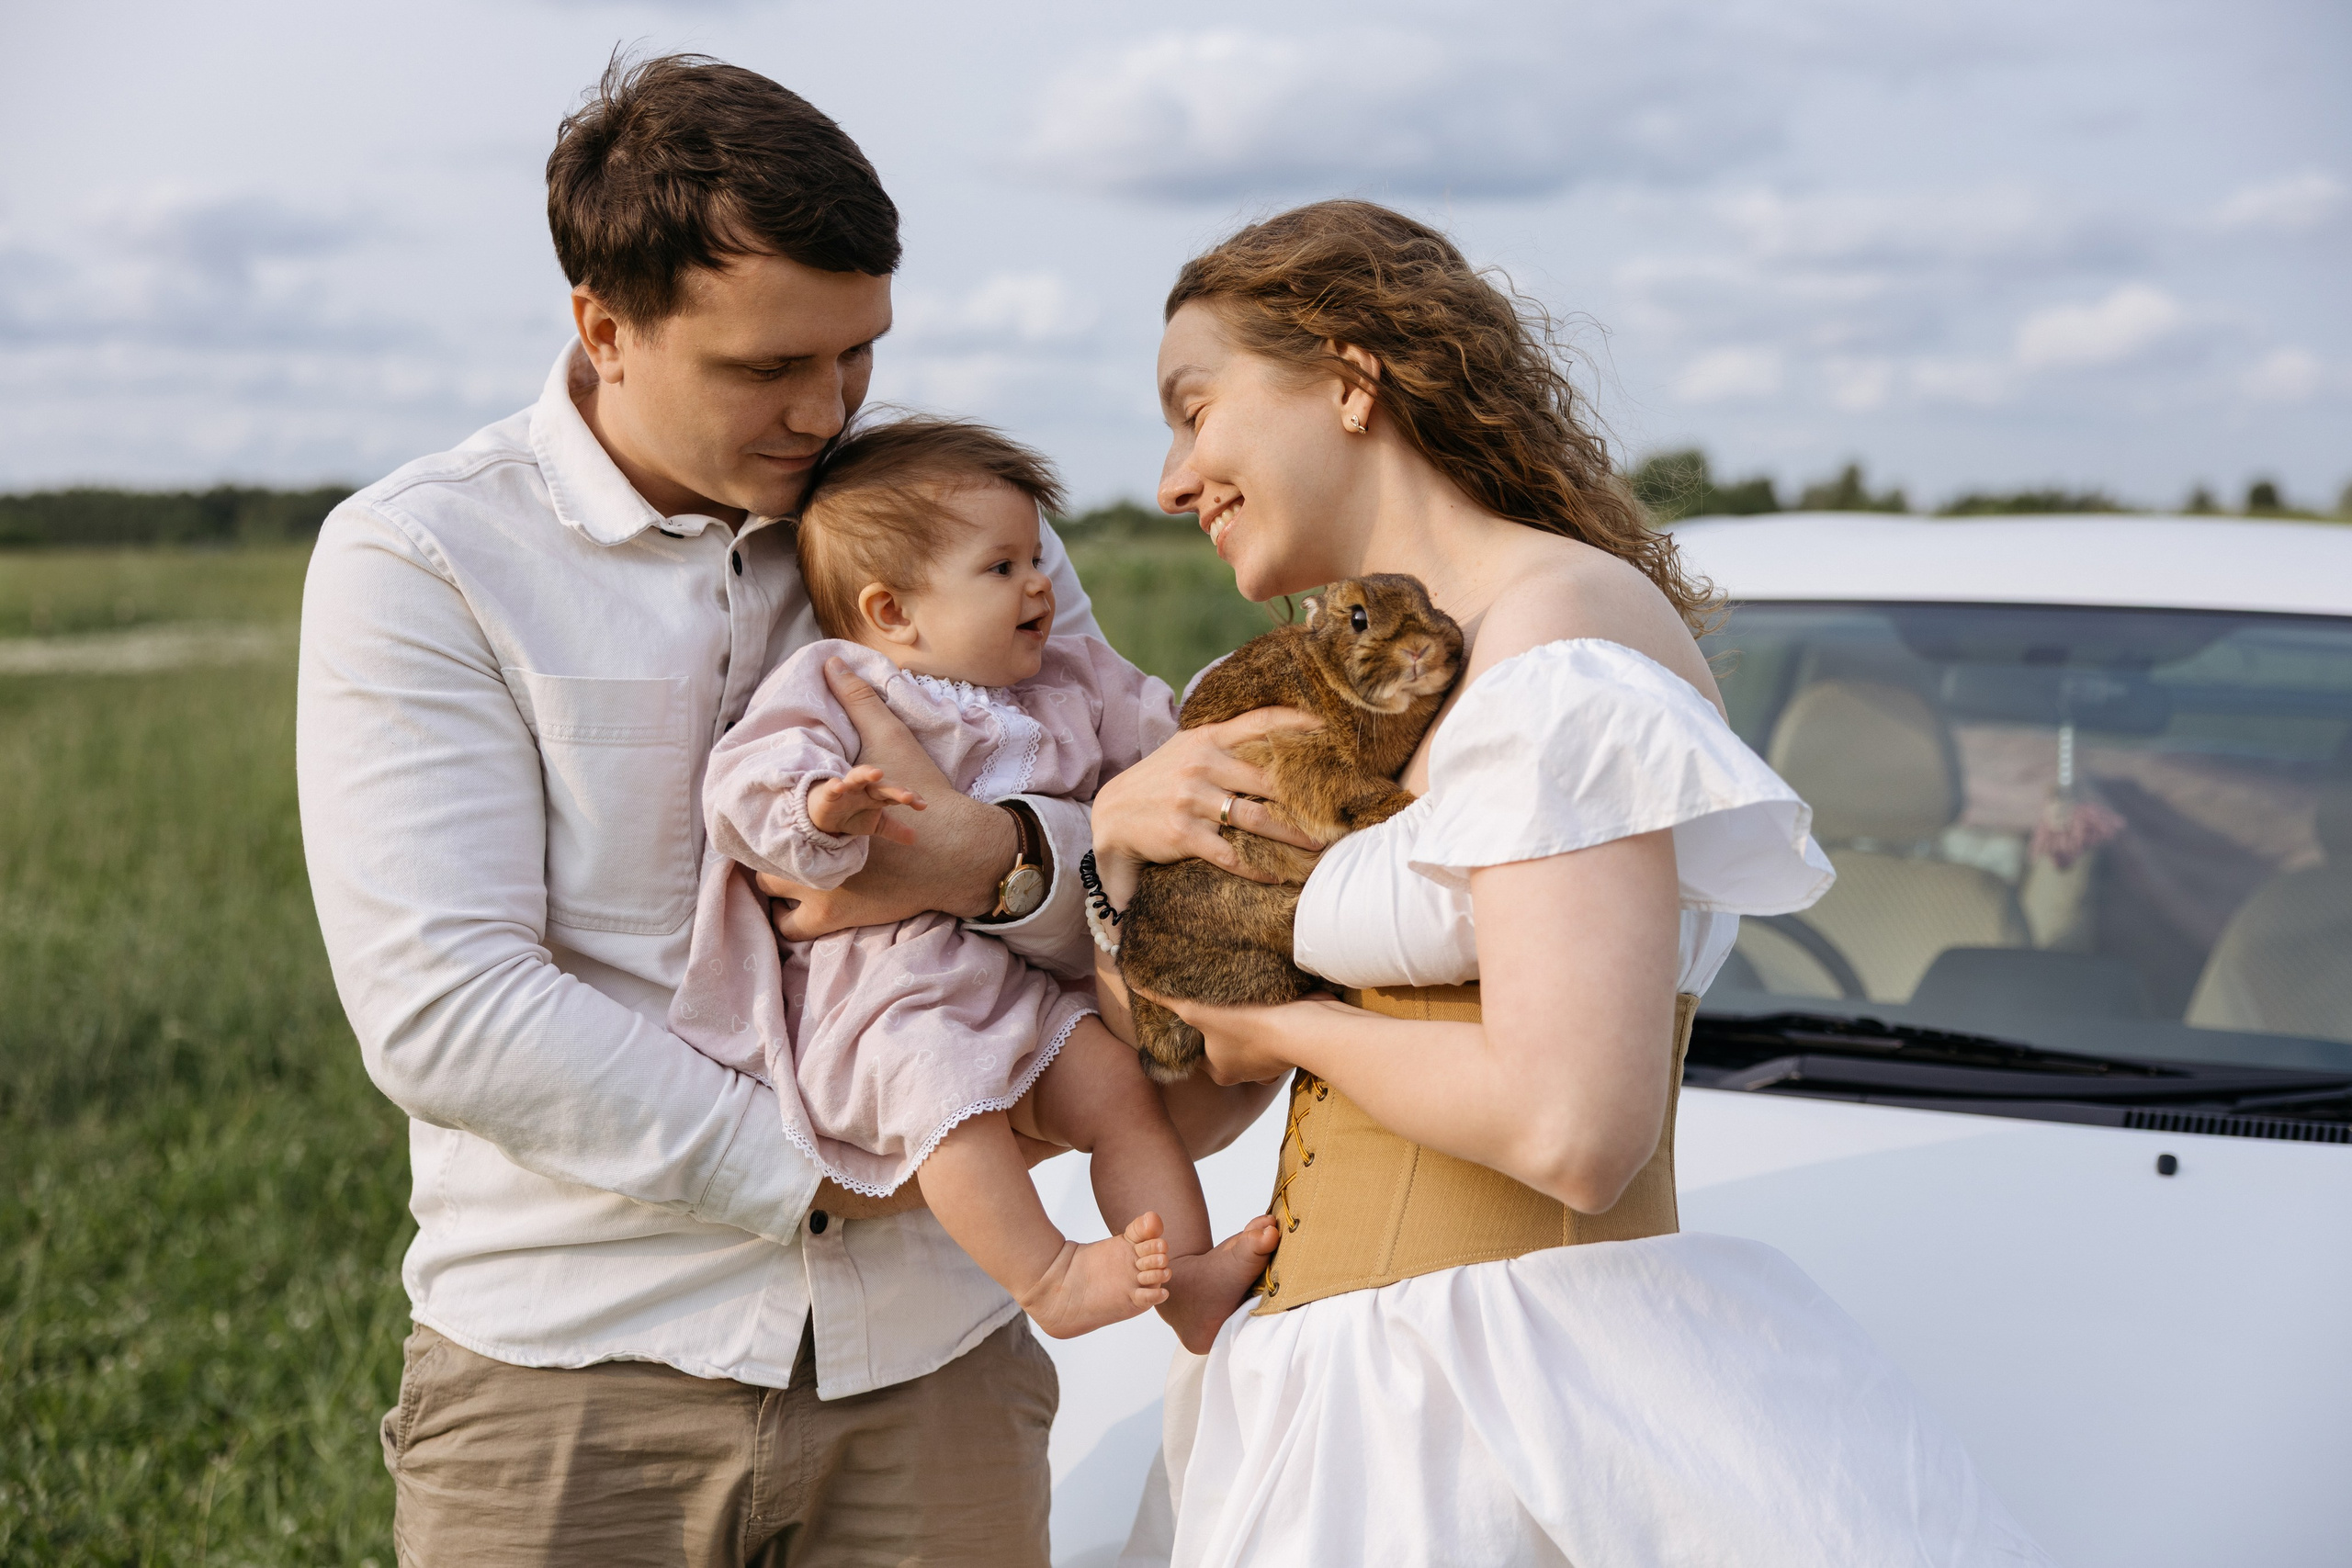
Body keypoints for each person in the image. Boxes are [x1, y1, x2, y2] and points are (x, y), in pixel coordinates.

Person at [297, 54, 1309, 1565]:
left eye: (859, 354)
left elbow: (1136, 843)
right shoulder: (423, 562)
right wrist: (838, 1176)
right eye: (770, 366)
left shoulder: (958, 530)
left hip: (938, 1375)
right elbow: (447, 1004)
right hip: (576, 1381)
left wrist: (997, 860)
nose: (827, 410)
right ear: (604, 326)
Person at [1088, 201, 2055, 1566]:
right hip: (1324, 1395)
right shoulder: (1316, 697)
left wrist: (1289, 1027)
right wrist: (1109, 856)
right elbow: (1185, 1105)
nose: (1176, 479)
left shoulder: (1562, 645)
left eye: (1196, 411)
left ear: (1352, 381)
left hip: (1501, 1401)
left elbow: (1573, 1130)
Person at [670, 415, 1272, 1348]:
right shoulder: (836, 681)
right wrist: (819, 813)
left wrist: (1239, 725)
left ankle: (1188, 1283)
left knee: (1116, 1088)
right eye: (1001, 570)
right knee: (950, 1102)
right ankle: (1051, 1276)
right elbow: (744, 782)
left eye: (1035, 557)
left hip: (1019, 984)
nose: (1040, 584)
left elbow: (1170, 733)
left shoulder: (1068, 677)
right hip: (887, 997)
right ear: (890, 613)